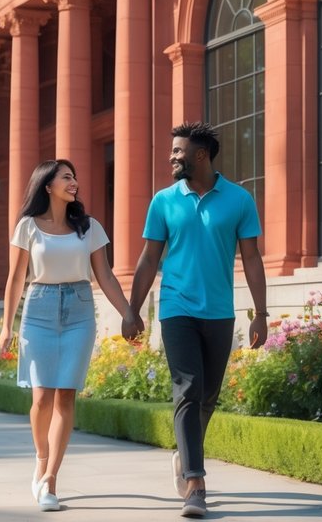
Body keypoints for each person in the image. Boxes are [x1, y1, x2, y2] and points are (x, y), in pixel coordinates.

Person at [126, 122, 268, 519]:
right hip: (176, 309)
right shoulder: (164, 201)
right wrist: (132, 309)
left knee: (207, 396)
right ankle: (196, 484)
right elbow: (149, 259)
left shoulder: (239, 200)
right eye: (172, 151)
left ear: (201, 155)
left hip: (220, 312)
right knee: (187, 389)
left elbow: (252, 258)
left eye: (178, 152)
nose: (172, 157)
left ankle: (185, 455)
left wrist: (261, 313)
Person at [0, 159, 140, 512]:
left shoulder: (89, 227)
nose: (74, 181)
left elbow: (105, 276)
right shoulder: (28, 226)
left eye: (75, 176)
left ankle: (50, 480)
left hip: (79, 310)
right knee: (42, 399)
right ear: (47, 185)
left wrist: (128, 313)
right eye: (66, 177)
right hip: (39, 309)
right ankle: (41, 457)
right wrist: (6, 326)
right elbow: (16, 278)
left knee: (65, 397)